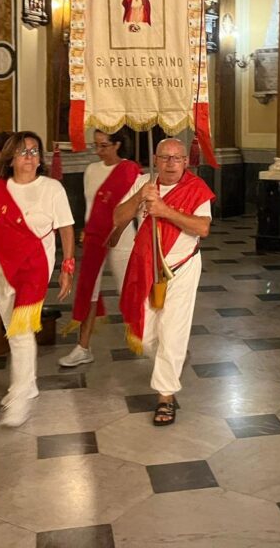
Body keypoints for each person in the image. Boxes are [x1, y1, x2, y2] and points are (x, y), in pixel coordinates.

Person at [0, 132, 75, 428]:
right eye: (23, 152)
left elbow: (67, 228)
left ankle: (20, 395)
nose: (30, 157)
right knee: (13, 328)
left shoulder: (52, 188)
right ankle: (27, 385)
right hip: (2, 266)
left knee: (19, 330)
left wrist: (67, 266)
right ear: (10, 157)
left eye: (34, 151)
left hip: (35, 265)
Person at [112, 138, 214, 427]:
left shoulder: (197, 189)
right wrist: (140, 198)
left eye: (177, 158)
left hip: (181, 268)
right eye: (165, 158)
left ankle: (165, 396)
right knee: (144, 335)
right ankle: (173, 355)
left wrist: (165, 211)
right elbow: (118, 217)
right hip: (146, 266)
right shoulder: (144, 183)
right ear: (155, 160)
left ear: (186, 161)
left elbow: (203, 228)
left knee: (172, 331)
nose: (171, 164)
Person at [58, 129, 141, 367]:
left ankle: (151, 338)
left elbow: (136, 208)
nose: (98, 151)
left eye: (104, 145)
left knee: (130, 290)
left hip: (122, 238)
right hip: (95, 238)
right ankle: (82, 347)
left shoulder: (130, 171)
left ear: (117, 144)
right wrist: (88, 229)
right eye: (96, 145)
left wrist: (116, 232)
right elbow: (90, 205)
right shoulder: (91, 170)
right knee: (88, 291)